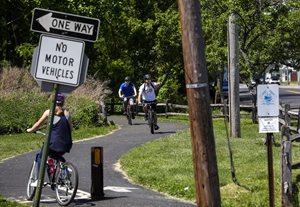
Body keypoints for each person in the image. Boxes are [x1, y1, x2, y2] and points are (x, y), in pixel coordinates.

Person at [27, 93, 73, 175]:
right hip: (67, 143)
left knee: (41, 156)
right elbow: (70, 129)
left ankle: (38, 178)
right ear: (63, 102)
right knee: (57, 155)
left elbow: (38, 125)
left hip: (53, 143)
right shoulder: (66, 113)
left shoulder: (49, 112)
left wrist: (30, 130)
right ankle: (64, 169)